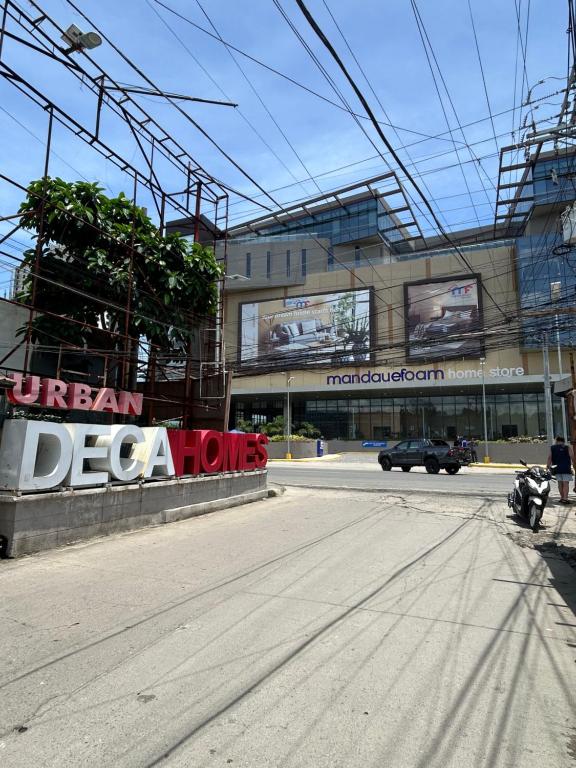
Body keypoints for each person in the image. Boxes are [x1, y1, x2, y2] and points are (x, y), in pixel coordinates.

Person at [547, 435, 576, 505]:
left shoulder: (552, 448)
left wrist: (547, 466)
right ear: (563, 441)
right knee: (565, 484)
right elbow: (572, 457)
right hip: (566, 468)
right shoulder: (567, 447)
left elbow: (549, 458)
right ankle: (565, 499)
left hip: (556, 469)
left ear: (556, 441)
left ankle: (562, 498)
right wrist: (574, 465)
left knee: (560, 483)